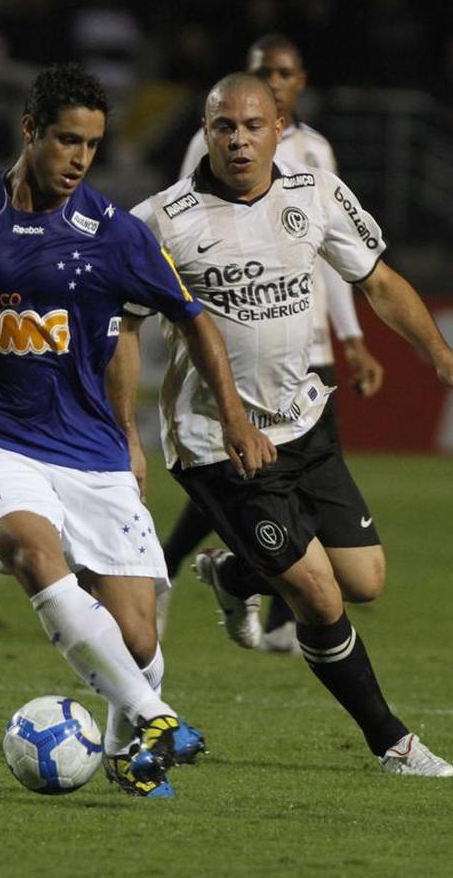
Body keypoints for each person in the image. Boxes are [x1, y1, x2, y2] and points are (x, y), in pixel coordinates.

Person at [0, 62, 276, 799]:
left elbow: (193, 316)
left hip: (89, 448)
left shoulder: (114, 234)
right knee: (32, 550)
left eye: (93, 146)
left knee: (138, 640)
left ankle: (132, 746)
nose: (80, 159)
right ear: (30, 130)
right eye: (67, 140)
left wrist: (229, 416)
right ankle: (157, 717)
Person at [111, 72, 453, 777]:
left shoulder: (312, 193)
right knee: (317, 594)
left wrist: (440, 354)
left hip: (307, 420)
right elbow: (123, 331)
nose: (238, 140)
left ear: (278, 127)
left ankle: (234, 577)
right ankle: (391, 740)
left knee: (366, 579)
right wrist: (126, 435)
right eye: (224, 126)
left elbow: (378, 279)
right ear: (205, 132)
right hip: (217, 441)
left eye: (252, 126)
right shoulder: (160, 222)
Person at [159, 33, 385, 650]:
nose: (276, 78)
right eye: (265, 70)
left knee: (300, 494)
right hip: (232, 351)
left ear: (297, 85)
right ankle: (187, 572)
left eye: (284, 73)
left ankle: (237, 576)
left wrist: (351, 337)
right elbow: (184, 237)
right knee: (240, 476)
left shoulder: (316, 155)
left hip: (306, 353)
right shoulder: (209, 149)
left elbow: (337, 256)